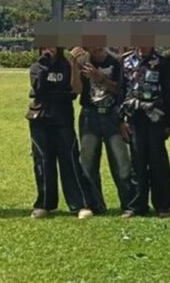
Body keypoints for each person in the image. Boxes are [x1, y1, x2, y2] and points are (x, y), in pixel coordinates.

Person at [26, 47, 96, 219]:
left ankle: (80, 204)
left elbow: (75, 90)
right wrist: (45, 64)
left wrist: (72, 65)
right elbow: (39, 88)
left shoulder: (67, 65)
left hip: (63, 118)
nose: (48, 49)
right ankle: (44, 204)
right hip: (41, 118)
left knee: (70, 161)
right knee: (43, 161)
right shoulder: (36, 66)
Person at [73, 46, 138, 218]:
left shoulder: (116, 61)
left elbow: (120, 89)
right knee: (88, 164)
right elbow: (77, 90)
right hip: (89, 114)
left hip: (112, 115)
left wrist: (98, 77)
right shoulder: (81, 61)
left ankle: (129, 205)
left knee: (122, 164)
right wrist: (73, 64)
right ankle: (94, 205)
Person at [120, 45, 170, 217]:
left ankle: (162, 205)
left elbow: (169, 91)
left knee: (157, 161)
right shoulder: (126, 61)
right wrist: (120, 120)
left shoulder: (162, 62)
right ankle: (137, 205)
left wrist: (169, 120)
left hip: (156, 118)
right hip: (134, 118)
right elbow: (121, 91)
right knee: (137, 161)